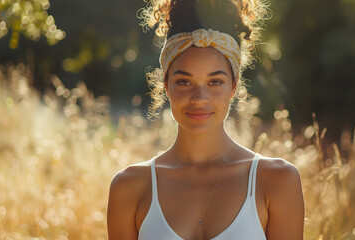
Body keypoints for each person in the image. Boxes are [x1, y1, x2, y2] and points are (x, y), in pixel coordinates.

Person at [107, 0, 305, 239]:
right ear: (166, 86)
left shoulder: (277, 181)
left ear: (233, 87)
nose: (199, 98)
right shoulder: (129, 187)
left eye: (215, 82)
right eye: (184, 81)